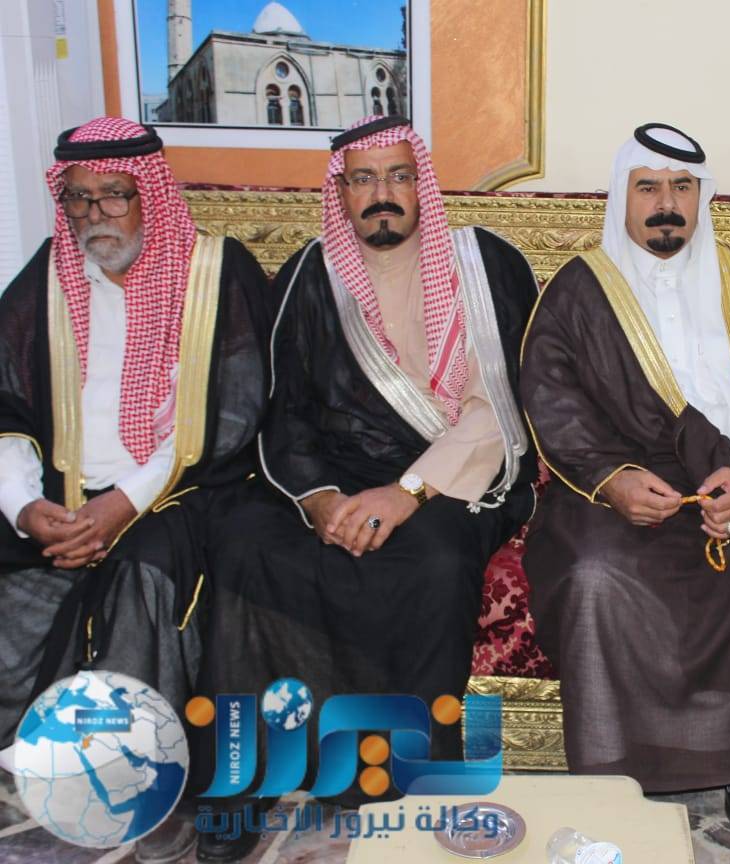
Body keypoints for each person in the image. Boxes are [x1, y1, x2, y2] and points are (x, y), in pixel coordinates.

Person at [197, 115, 537, 858]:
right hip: (335, 474)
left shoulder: (485, 264)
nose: (383, 193)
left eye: (399, 176)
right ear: (342, 192)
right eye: (364, 179)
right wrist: (319, 499)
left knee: (436, 561)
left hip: (452, 472)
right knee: (246, 541)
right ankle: (251, 779)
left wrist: (406, 493)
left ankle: (414, 779)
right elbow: (282, 410)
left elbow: (499, 408)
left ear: (422, 185)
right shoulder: (310, 274)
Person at [520, 123, 730, 864]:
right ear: (623, 197)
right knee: (596, 580)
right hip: (618, 489)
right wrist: (613, 481)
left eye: (682, 187)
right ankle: (609, 785)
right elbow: (552, 403)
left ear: (702, 196)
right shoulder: (578, 289)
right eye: (649, 187)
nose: (666, 202)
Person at [0, 117, 273, 863]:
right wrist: (26, 508)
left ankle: (141, 788)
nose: (96, 215)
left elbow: (232, 415)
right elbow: (6, 406)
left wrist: (119, 505)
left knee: (141, 572)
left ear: (149, 194)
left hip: (181, 486)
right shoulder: (47, 277)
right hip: (60, 488)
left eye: (114, 195)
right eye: (79, 198)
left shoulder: (214, 272)